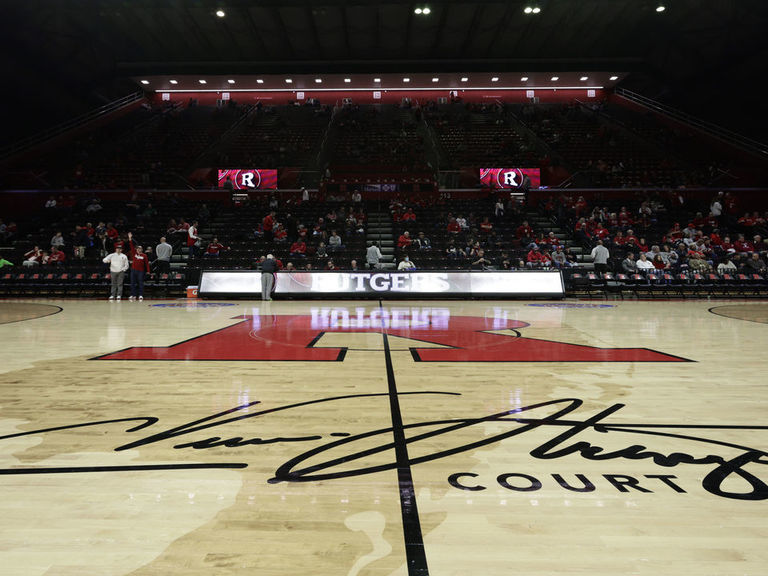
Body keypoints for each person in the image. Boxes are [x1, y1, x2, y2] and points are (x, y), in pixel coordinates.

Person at [127, 233, 151, 301]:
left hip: (141, 271)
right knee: (132, 283)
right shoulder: (134, 253)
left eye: (140, 248)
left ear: (142, 249)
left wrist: (148, 271)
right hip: (133, 270)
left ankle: (140, 295)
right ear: (136, 249)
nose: (139, 249)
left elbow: (147, 264)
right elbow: (131, 245)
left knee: (140, 283)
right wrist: (130, 238)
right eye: (138, 248)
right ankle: (133, 295)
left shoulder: (144, 256)